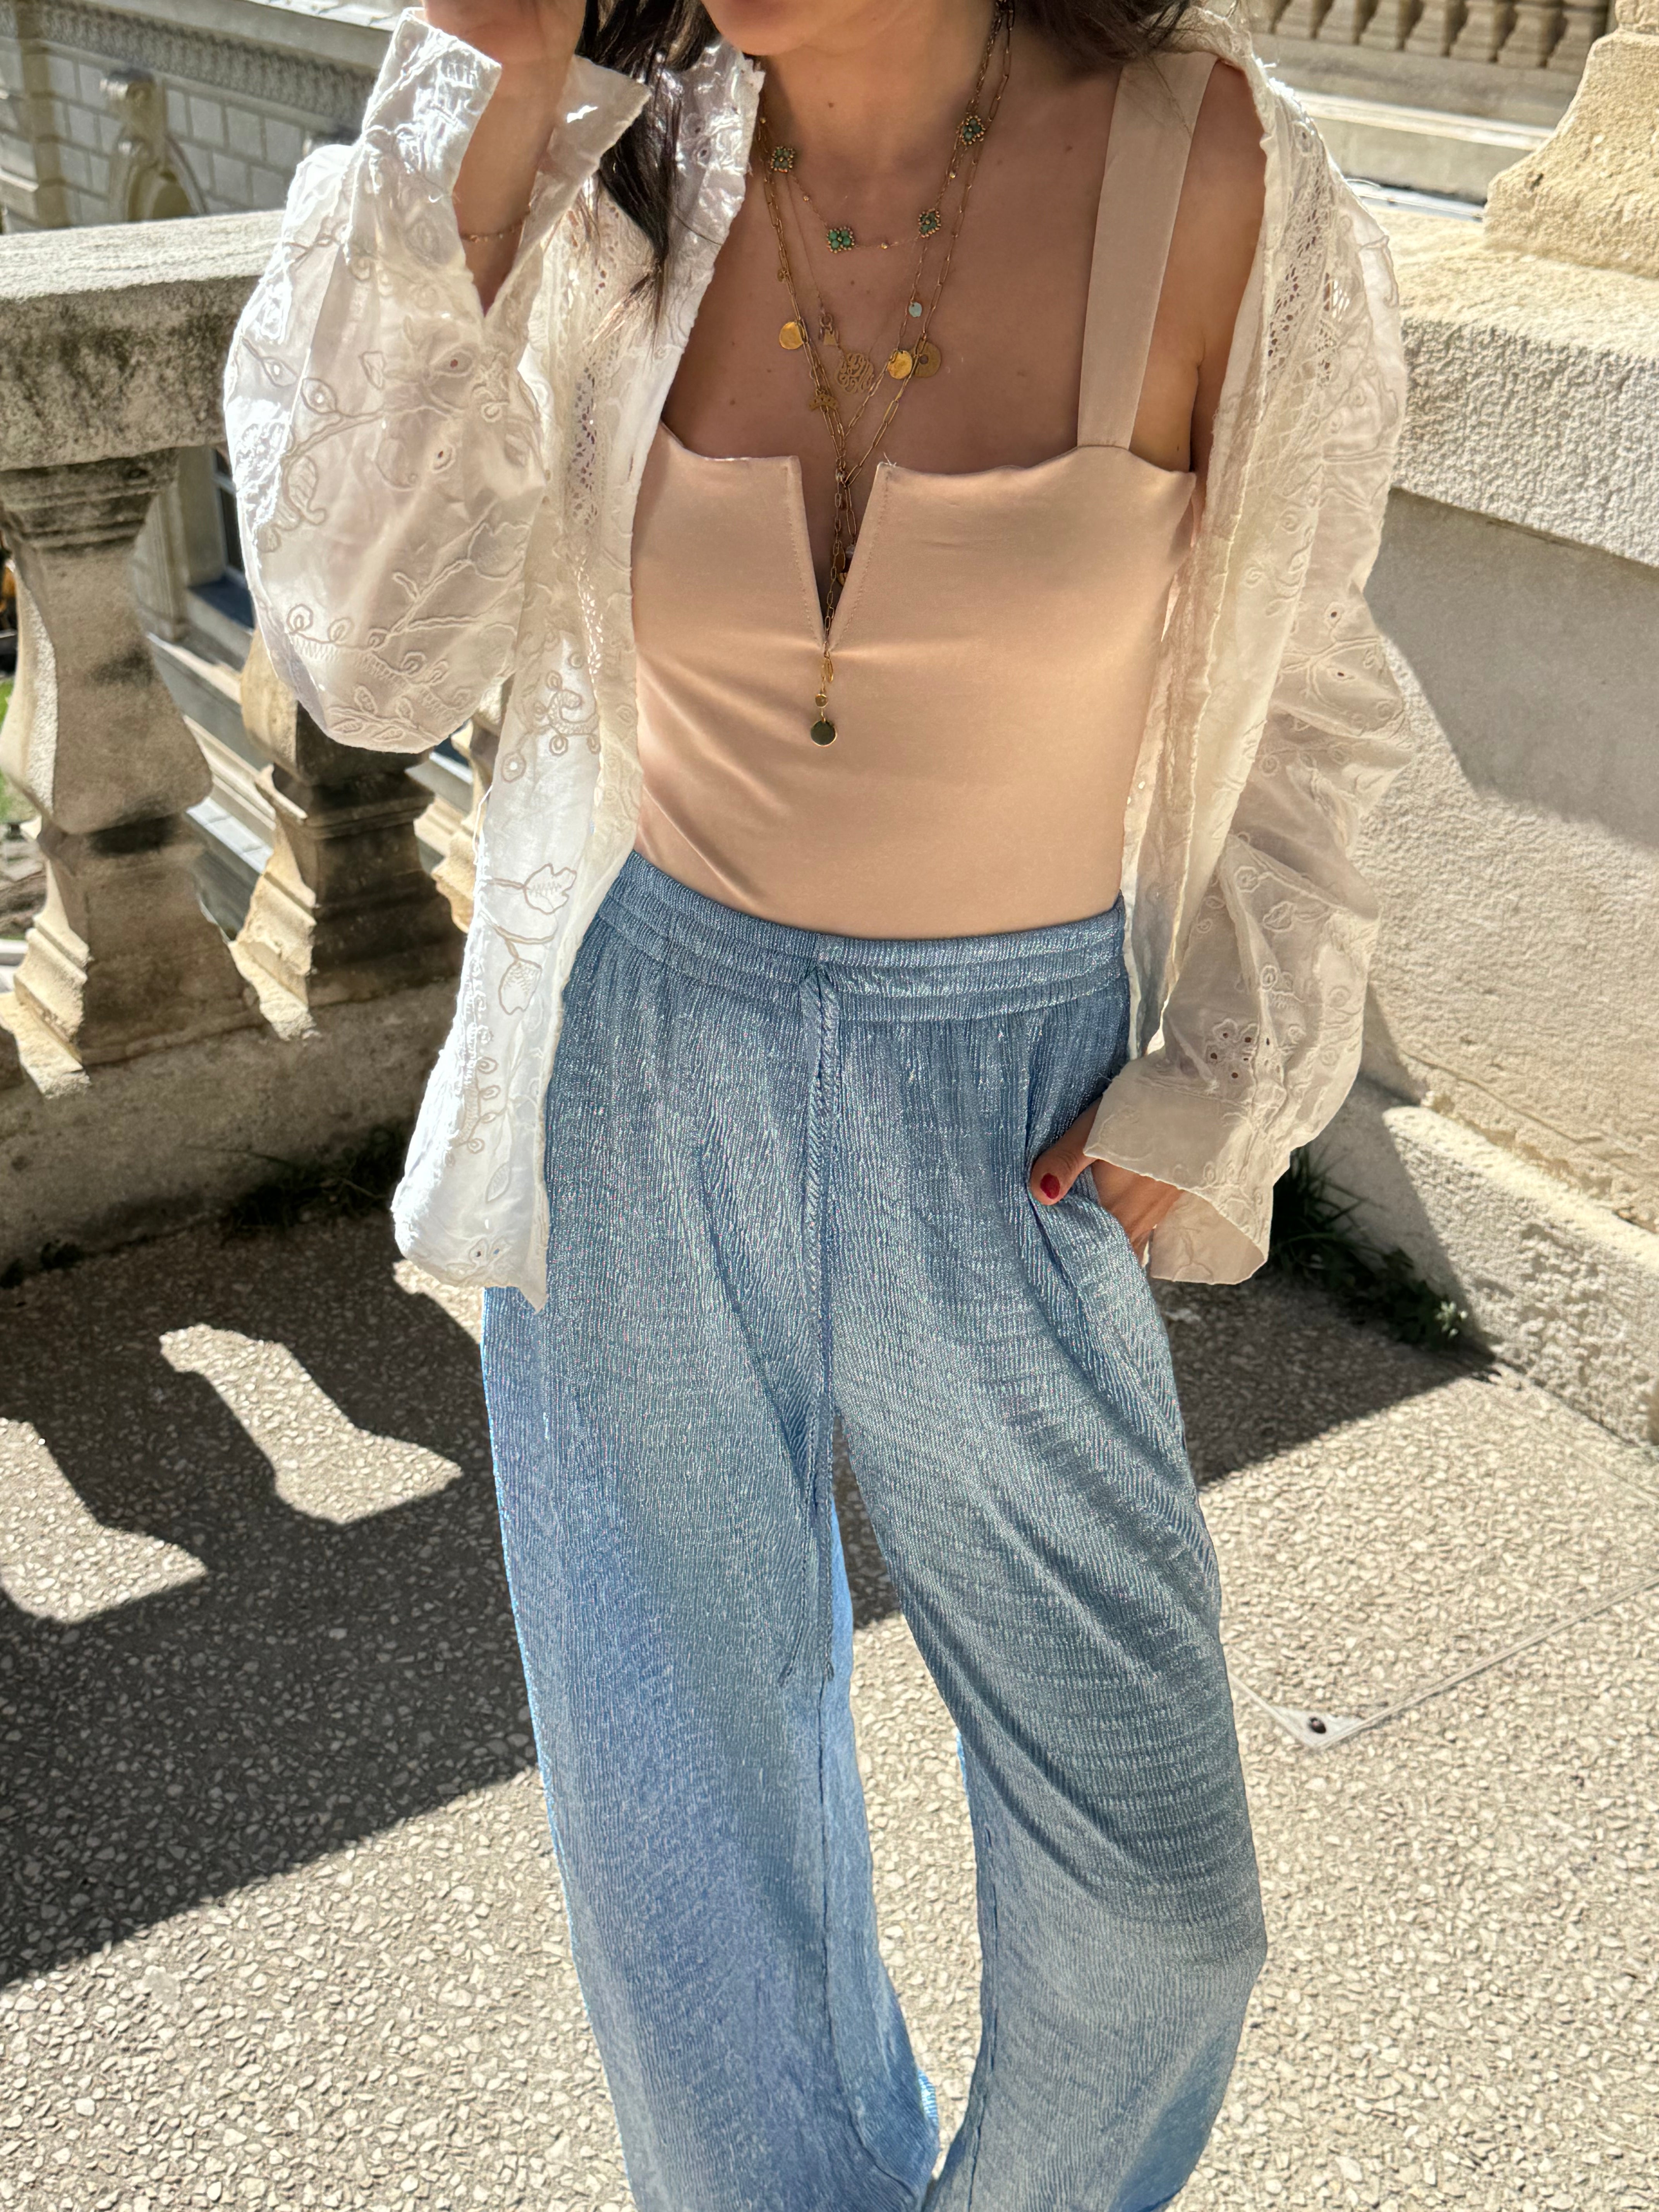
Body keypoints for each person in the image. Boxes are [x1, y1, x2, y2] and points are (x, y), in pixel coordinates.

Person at [225, 0, 1408, 2200]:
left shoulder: (1214, 171)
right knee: (695, 1873)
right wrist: (485, 91)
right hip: (641, 1060)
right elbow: (370, 659)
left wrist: (1218, 1082)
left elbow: (1307, 681)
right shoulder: (616, 172)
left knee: (1160, 1921)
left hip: (1014, 1097)